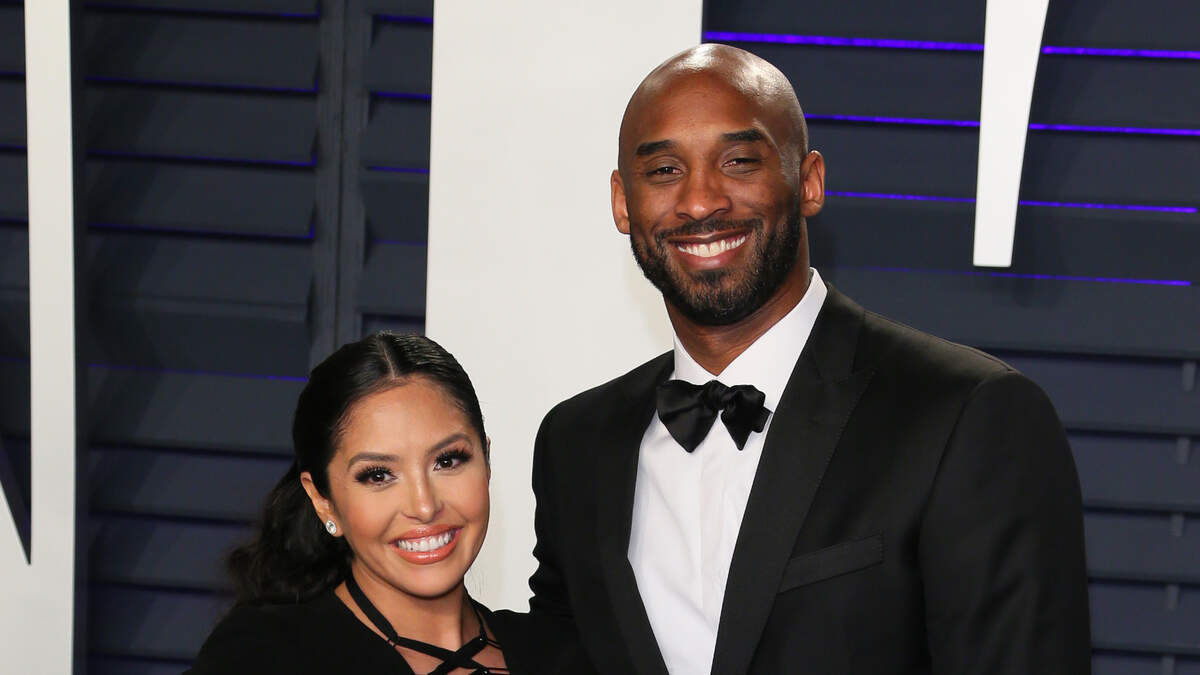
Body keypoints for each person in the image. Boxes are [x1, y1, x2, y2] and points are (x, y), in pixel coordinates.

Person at [527, 44, 1091, 675]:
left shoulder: (966, 417)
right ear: (622, 202)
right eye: (663, 170)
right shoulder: (576, 445)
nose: (700, 201)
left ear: (809, 181)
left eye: (738, 162)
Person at [188, 333, 588, 674]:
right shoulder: (261, 657)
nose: (424, 506)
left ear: (485, 460)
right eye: (378, 475)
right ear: (322, 501)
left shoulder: (562, 655)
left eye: (447, 461)